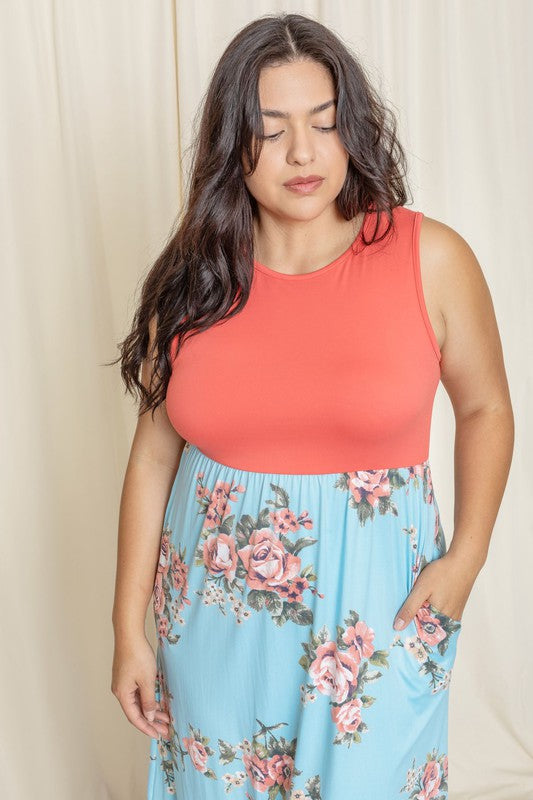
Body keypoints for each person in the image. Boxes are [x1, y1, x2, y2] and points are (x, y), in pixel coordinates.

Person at [110, 12, 514, 799]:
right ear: (233, 144)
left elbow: (486, 409)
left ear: (351, 131)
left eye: (324, 125)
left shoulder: (428, 257)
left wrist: (466, 557)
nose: (303, 153)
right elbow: (153, 457)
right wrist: (127, 629)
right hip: (213, 622)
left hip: (376, 617)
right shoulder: (194, 283)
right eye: (271, 130)